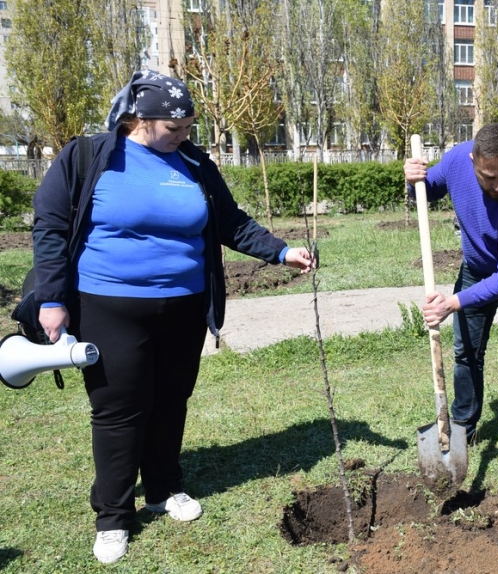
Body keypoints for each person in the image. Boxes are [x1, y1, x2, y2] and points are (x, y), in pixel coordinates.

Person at [31, 70, 314, 564]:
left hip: (184, 308)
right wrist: (52, 298)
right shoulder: (89, 156)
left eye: (188, 127)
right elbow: (51, 228)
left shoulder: (194, 162)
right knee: (119, 410)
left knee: (170, 400)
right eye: (174, 128)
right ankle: (113, 516)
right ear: (139, 120)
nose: (184, 136)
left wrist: (281, 251)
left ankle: (163, 489)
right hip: (109, 306)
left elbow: (230, 222)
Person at [404, 123, 498, 499]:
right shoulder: (457, 159)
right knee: (466, 352)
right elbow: (428, 189)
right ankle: (461, 427)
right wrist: (412, 180)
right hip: (476, 268)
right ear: (473, 161)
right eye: (489, 177)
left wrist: (453, 303)